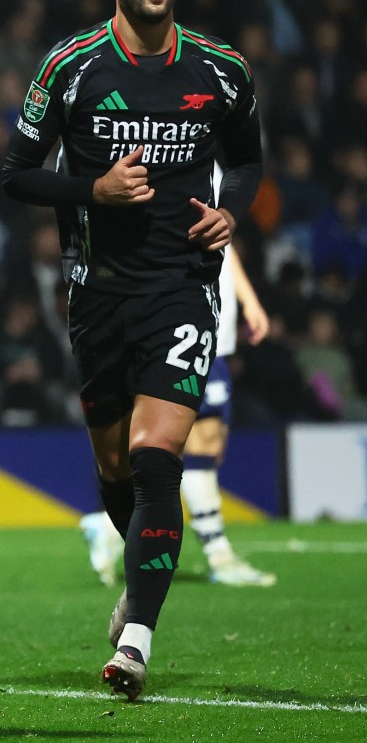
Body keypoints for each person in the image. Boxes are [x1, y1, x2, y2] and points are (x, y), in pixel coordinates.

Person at [1, 0, 263, 701]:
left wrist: (233, 212)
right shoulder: (73, 65)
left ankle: (137, 640)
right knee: (116, 468)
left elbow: (247, 160)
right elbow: (16, 172)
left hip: (182, 284)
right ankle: (139, 581)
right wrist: (95, 190)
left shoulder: (221, 69)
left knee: (158, 457)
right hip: (97, 294)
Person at [79, 242, 277, 587]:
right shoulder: (177, 188)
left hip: (214, 328)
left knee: (205, 448)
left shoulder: (218, 189)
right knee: (198, 444)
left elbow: (224, 241)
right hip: (187, 325)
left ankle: (109, 528)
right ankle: (220, 557)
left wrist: (247, 299)